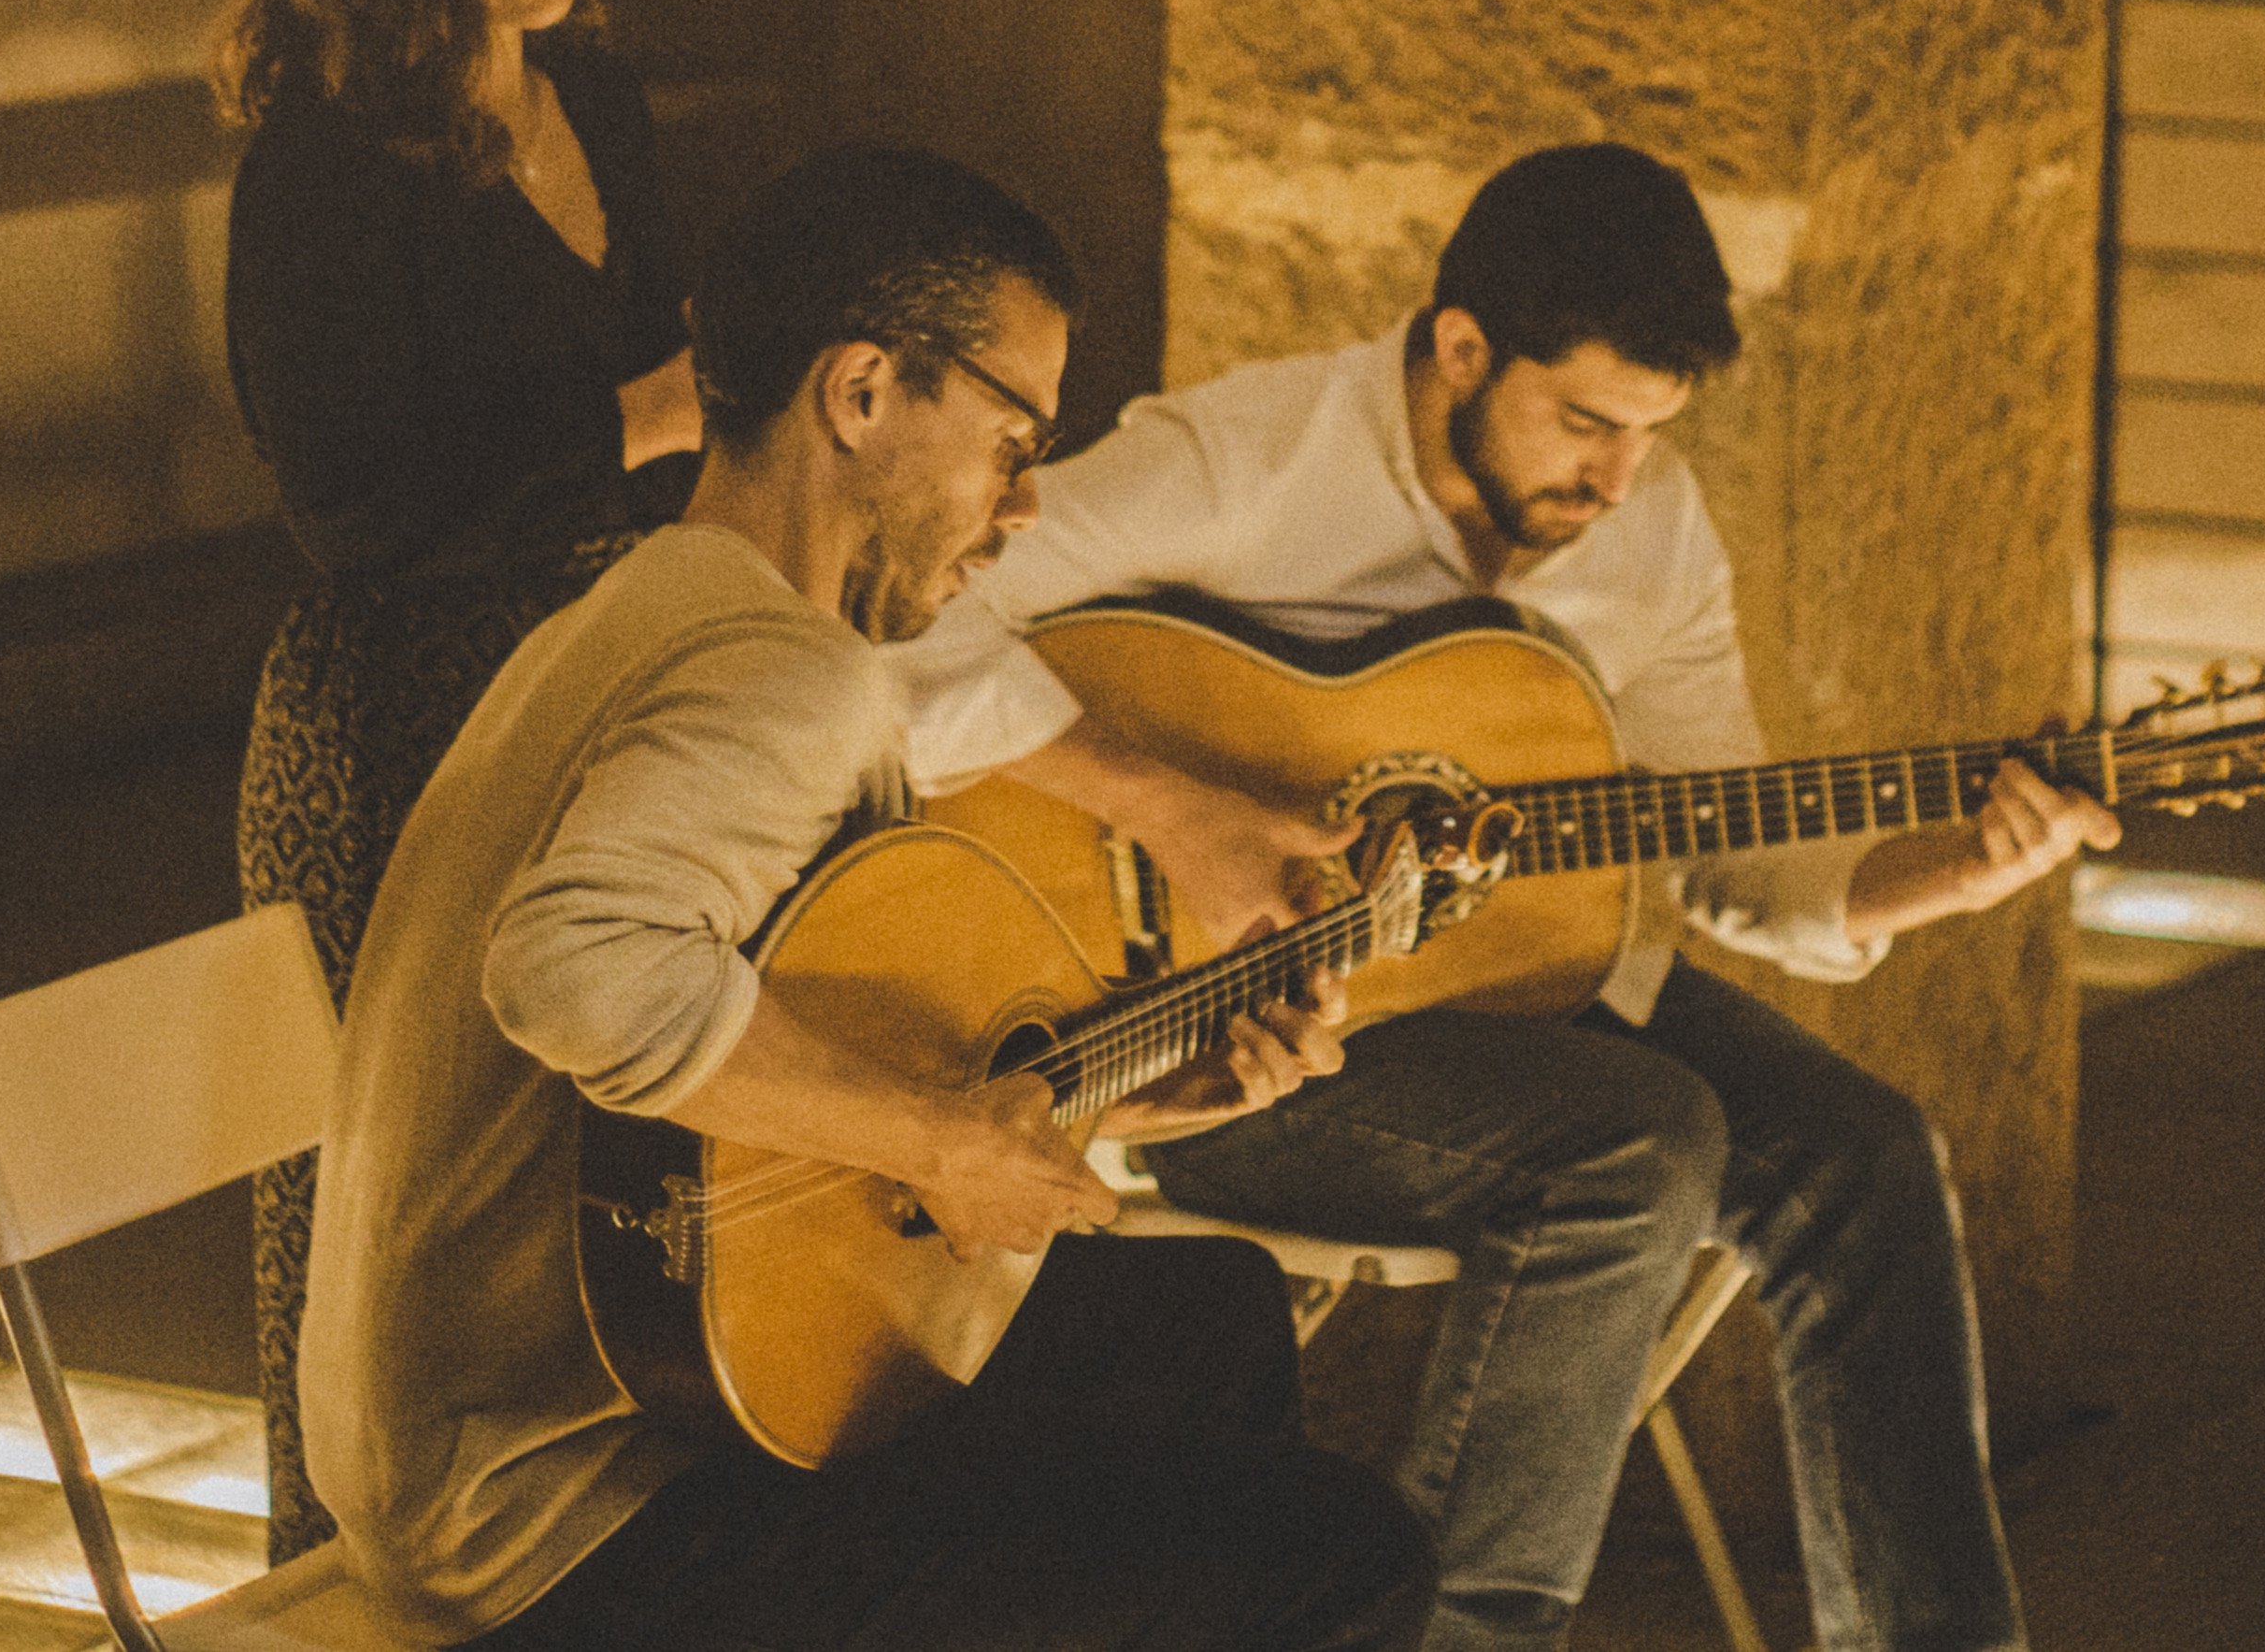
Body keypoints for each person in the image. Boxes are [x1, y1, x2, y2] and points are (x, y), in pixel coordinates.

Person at [887, 143, 2112, 1652]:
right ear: (1460, 347)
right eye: (1584, 422)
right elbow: (904, 625)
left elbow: (1723, 849)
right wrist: (1171, 810)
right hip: (1186, 1022)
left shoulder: (1646, 536)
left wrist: (1960, 868)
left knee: (1863, 1155)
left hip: (1512, 991)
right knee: (1634, 1143)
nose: (1614, 479)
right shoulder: (1250, 458)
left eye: (1651, 435)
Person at [301, 143, 1439, 1652]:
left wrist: (1112, 1093)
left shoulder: (652, 600)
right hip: (562, 1527)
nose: (1022, 506)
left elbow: (772, 1064)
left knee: (1209, 1319)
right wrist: (944, 1139)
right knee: (1340, 1554)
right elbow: (574, 970)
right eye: (1011, 442)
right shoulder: (794, 677)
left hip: (492, 1432)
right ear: (860, 395)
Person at [213, 0, 706, 1544]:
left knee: (589, 1191)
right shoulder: (323, 171)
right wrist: (653, 413)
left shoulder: (598, 93)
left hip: (591, 688)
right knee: (383, 1215)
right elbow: (356, 508)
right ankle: (341, 1579)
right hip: (397, 731)